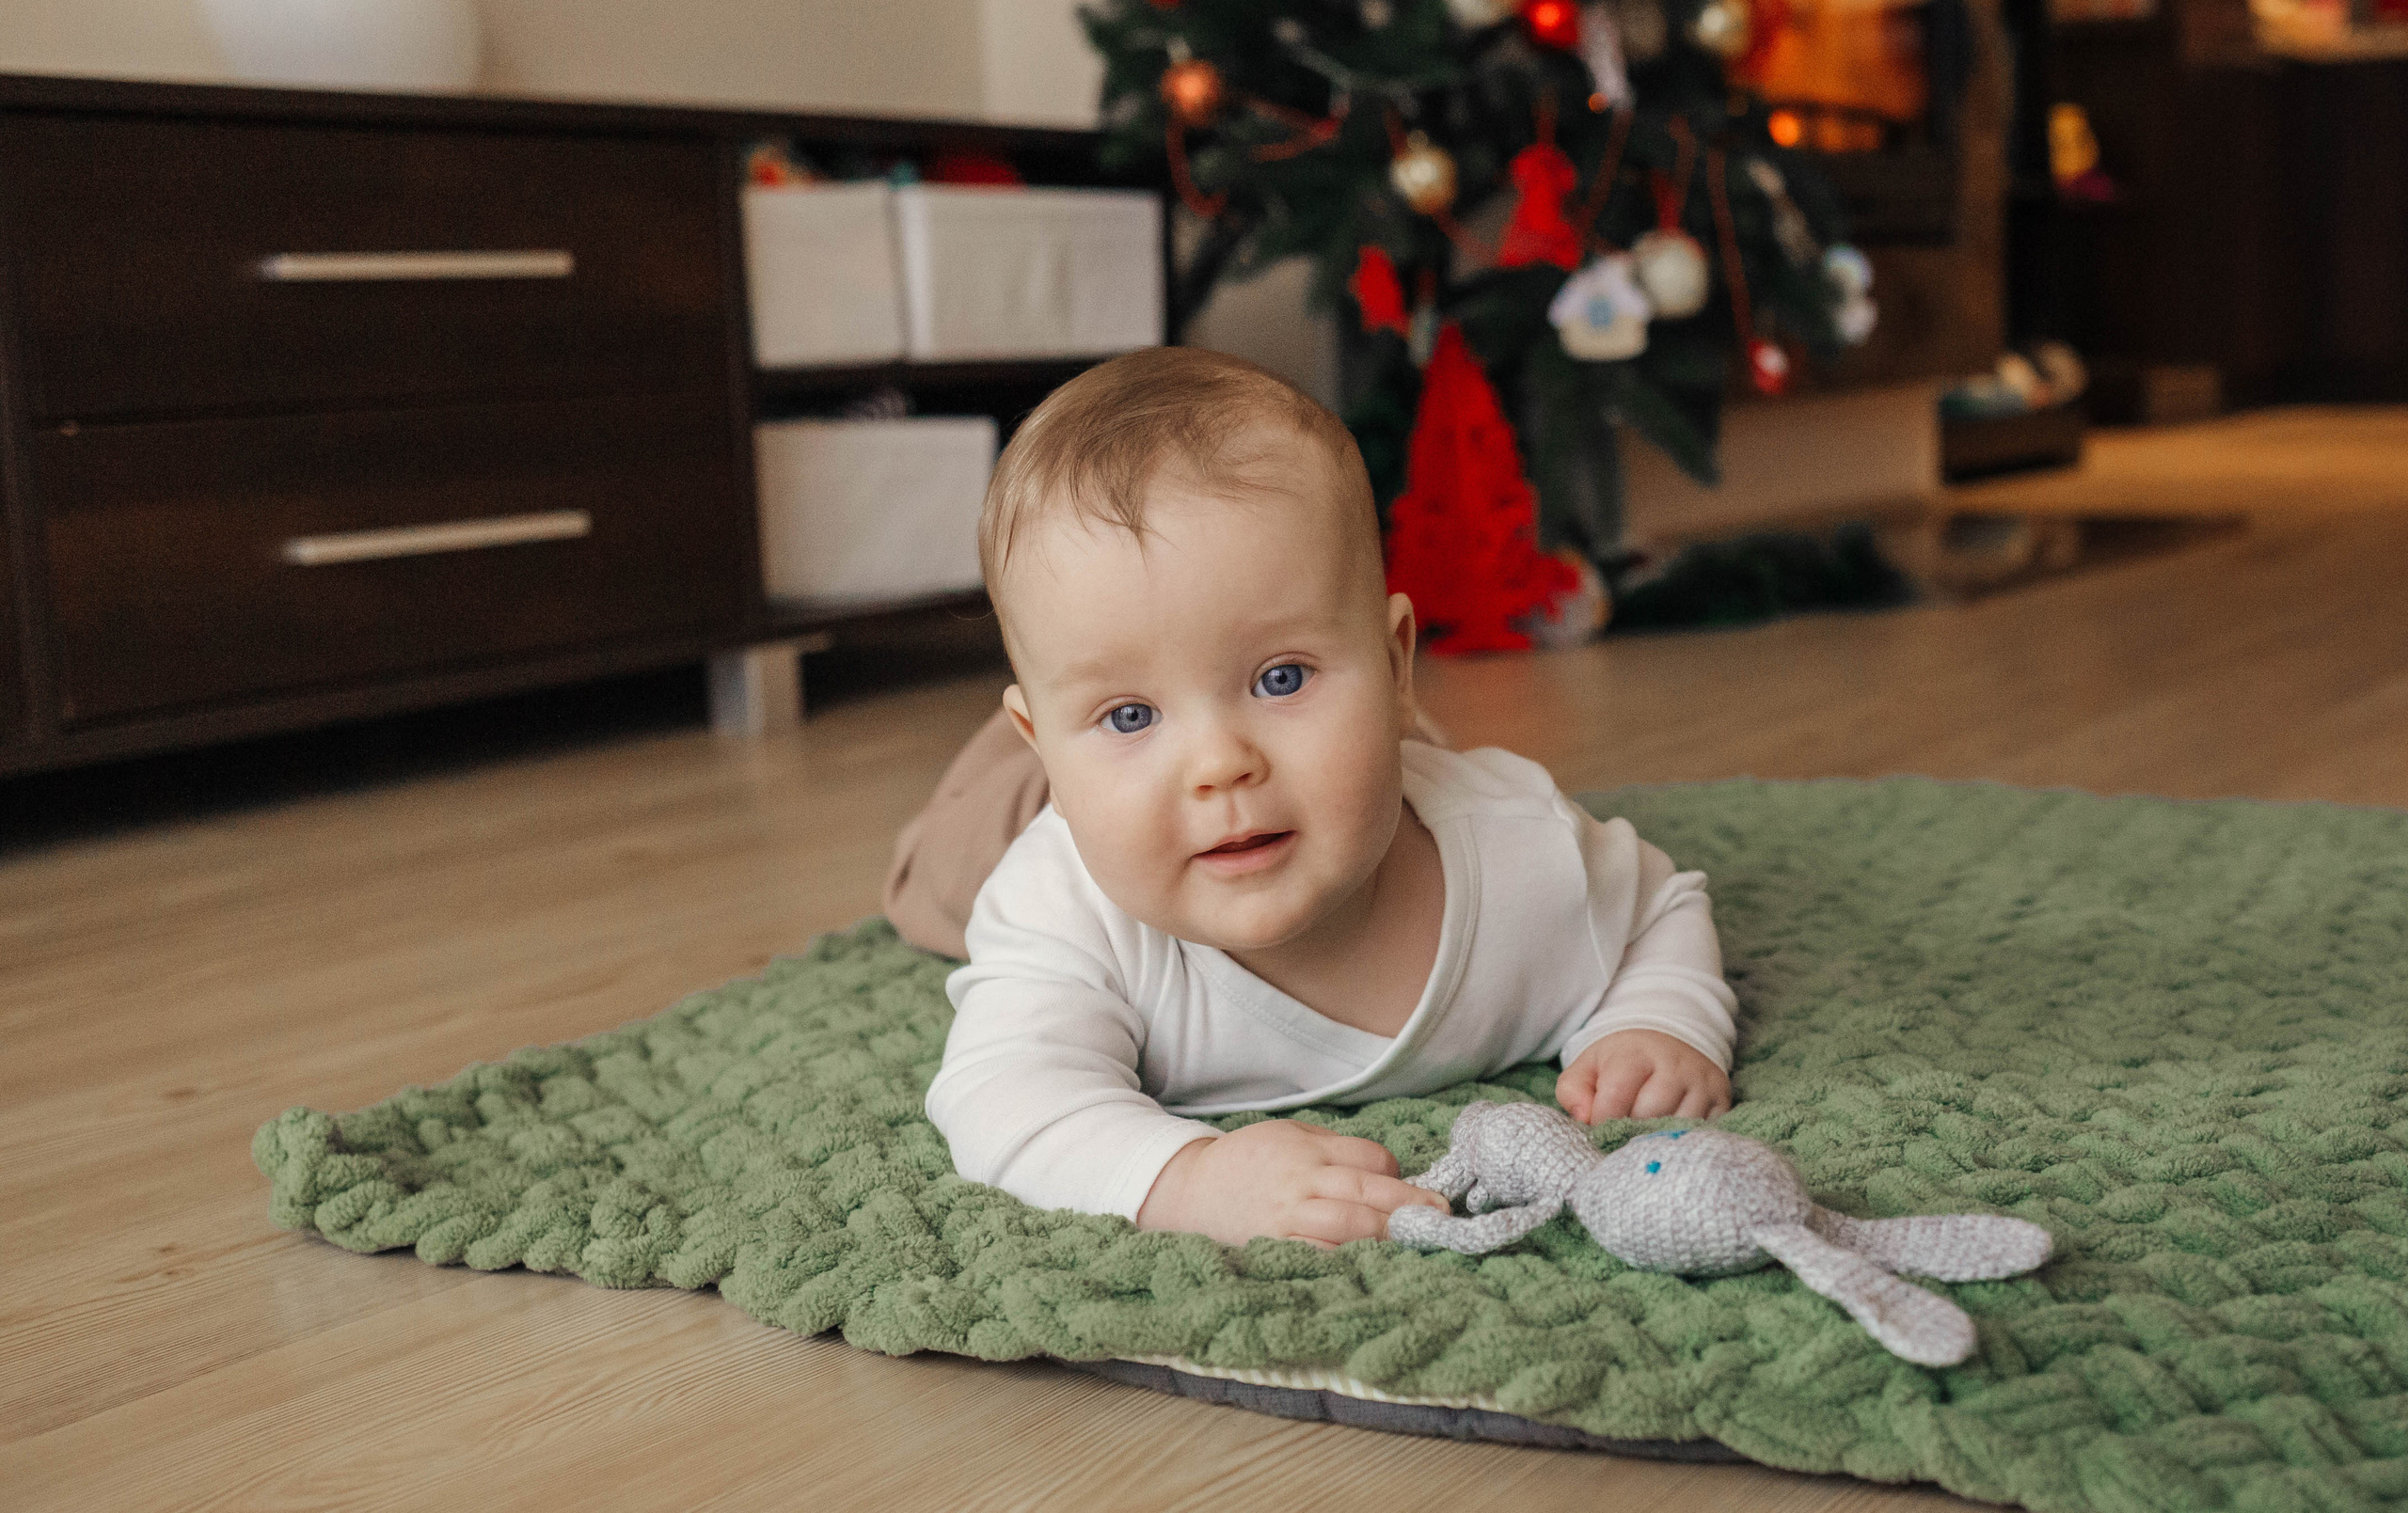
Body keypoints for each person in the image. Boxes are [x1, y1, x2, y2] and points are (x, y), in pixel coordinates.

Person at [913, 347, 1738, 1249]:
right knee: (940, 881)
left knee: (1361, 767)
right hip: (1001, 812)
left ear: (1395, 663)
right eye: (1131, 711)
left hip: (1376, 759)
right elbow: (1001, 1098)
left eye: (1279, 675)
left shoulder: (1524, 854)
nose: (1219, 763)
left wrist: (1658, 1018)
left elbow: (1662, 905)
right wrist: (1191, 1180)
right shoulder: (1058, 910)